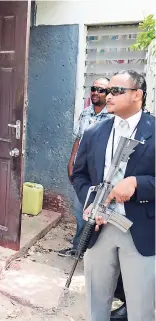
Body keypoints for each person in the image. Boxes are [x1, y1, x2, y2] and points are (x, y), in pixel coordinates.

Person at [72, 70, 155, 321]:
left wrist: (137, 184)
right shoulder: (94, 133)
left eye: (117, 91)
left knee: (141, 308)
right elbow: (79, 175)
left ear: (137, 95)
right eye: (108, 90)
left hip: (140, 230)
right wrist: (91, 201)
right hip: (99, 229)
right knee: (97, 304)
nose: (108, 96)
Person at [59, 77, 111, 257]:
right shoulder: (85, 113)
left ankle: (93, 252)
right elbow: (78, 139)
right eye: (94, 88)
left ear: (109, 93)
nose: (96, 92)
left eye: (101, 90)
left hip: (102, 173)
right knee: (80, 210)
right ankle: (78, 249)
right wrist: (71, 161)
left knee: (98, 213)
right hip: (83, 172)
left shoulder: (113, 117)